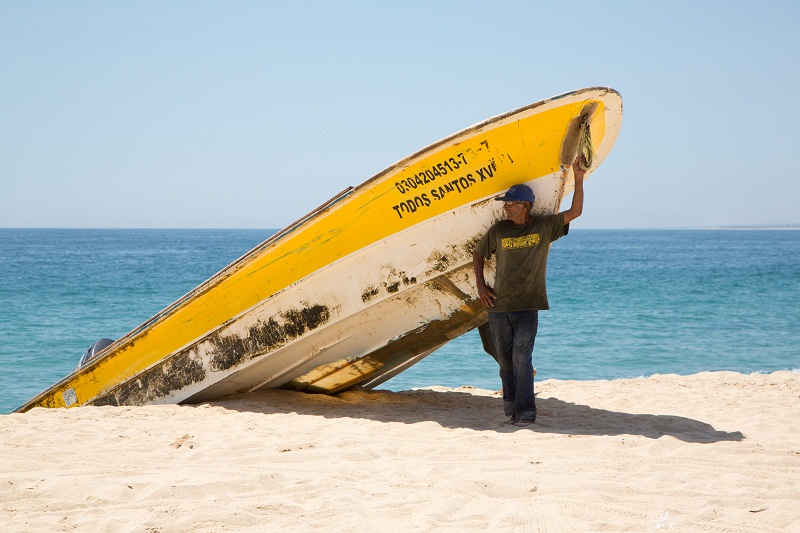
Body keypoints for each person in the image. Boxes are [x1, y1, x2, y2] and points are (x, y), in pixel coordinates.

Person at [472, 157, 587, 426]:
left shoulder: (544, 227)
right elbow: (478, 253)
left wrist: (578, 179)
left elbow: (576, 212)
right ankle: (511, 408)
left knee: (522, 359)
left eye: (511, 204)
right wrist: (481, 286)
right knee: (505, 362)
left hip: (527, 307)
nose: (506, 208)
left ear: (526, 206)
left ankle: (526, 413)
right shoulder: (499, 230)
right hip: (498, 307)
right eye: (506, 204)